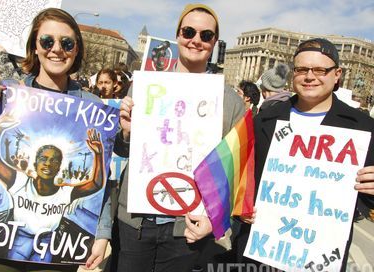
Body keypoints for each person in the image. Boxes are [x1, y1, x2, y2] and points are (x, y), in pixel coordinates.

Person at [0, 8, 110, 271]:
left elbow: (99, 187)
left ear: (77, 49)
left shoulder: (93, 108)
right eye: (47, 41)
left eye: (66, 42)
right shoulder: (6, 98)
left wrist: (102, 233)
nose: (56, 49)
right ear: (35, 47)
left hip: (56, 254)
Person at [112, 3, 245, 272]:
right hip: (135, 220)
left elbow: (236, 173)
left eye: (205, 35)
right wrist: (126, 133)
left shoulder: (230, 101)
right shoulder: (144, 85)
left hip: (187, 227)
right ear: (177, 35)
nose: (196, 40)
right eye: (189, 32)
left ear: (214, 43)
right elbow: (121, 150)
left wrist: (216, 222)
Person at [250, 38, 374, 271]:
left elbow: (368, 202)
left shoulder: (363, 127)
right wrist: (241, 210)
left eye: (320, 70)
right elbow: (244, 178)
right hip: (263, 251)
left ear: (337, 74)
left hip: (320, 257)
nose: (309, 76)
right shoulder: (264, 119)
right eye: (302, 69)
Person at [0, 115, 105, 262]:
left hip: (47, 243)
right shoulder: (20, 182)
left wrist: (98, 154)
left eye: (54, 160)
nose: (48, 163)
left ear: (59, 167)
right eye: (43, 159)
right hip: (18, 238)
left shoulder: (65, 192)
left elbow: (96, 184)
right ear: (35, 164)